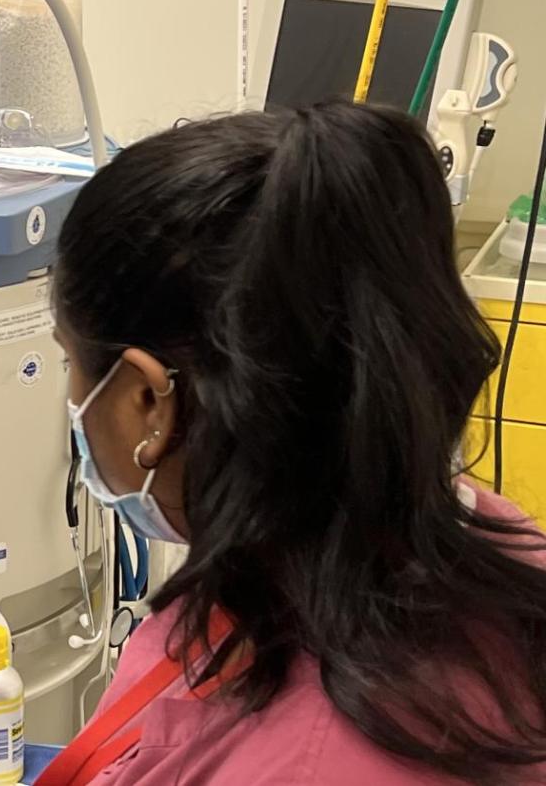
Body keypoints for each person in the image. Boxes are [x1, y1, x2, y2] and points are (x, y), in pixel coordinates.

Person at [36, 103, 546, 785]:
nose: (71, 400)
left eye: (70, 361)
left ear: (148, 400)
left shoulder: (309, 762)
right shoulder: (489, 552)